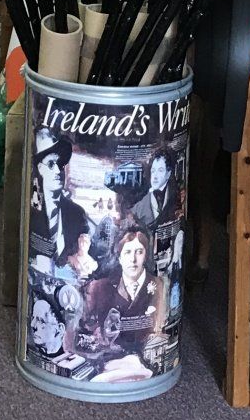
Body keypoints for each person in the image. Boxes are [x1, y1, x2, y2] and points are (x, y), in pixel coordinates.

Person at [81, 228, 164, 358]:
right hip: (106, 358)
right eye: (127, 252)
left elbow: (160, 327)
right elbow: (87, 327)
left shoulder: (158, 285)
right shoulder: (99, 287)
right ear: (119, 257)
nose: (133, 259)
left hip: (145, 357)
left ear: (146, 256)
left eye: (139, 252)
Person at [29, 129, 90, 269]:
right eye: (51, 164)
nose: (58, 170)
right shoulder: (32, 206)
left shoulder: (77, 213)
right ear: (40, 168)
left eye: (60, 164)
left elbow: (84, 251)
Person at [130, 147, 180, 231]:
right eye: (153, 171)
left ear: (168, 173)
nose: (155, 176)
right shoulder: (138, 209)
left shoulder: (176, 196)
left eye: (160, 170)